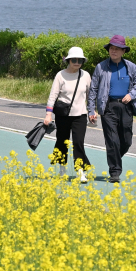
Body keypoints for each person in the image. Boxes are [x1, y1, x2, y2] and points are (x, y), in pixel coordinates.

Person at [88, 35, 136, 183]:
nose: (114, 51)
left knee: (126, 141)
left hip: (126, 107)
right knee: (112, 141)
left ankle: (115, 158)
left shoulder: (131, 67)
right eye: (112, 48)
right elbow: (93, 89)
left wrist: (131, 95)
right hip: (108, 107)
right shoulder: (101, 67)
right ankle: (115, 172)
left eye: (117, 49)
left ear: (123, 51)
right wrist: (91, 110)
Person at [43, 46, 92, 181]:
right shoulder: (60, 75)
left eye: (80, 60)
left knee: (78, 142)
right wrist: (48, 114)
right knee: (62, 141)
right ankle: (62, 168)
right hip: (63, 115)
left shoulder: (86, 75)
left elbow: (90, 96)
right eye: (74, 60)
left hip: (80, 115)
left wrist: (93, 112)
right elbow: (53, 96)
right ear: (68, 60)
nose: (77, 62)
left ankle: (81, 171)